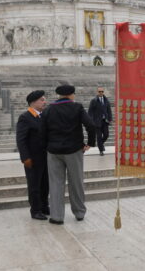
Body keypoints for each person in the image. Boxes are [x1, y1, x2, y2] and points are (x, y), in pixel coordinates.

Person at [40, 84, 95, 225]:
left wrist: (47, 145)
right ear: (71, 95)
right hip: (74, 150)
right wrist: (90, 143)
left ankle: (57, 216)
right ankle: (79, 212)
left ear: (59, 95)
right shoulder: (77, 108)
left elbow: (41, 130)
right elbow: (91, 125)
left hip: (53, 151)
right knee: (76, 182)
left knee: (55, 184)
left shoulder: (49, 109)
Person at [16, 90, 50, 220]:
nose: (44, 102)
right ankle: (35, 210)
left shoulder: (43, 116)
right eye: (42, 100)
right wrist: (25, 158)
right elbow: (21, 139)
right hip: (33, 158)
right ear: (33, 102)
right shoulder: (25, 117)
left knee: (45, 184)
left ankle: (44, 206)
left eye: (44, 99)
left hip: (46, 157)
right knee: (34, 185)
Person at [87, 87, 112, 155]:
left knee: (106, 135)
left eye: (102, 91)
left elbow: (109, 110)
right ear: (97, 92)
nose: (101, 93)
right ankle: (101, 150)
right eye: (99, 91)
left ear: (103, 92)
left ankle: (100, 144)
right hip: (97, 122)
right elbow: (90, 111)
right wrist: (91, 121)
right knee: (99, 136)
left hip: (105, 121)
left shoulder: (106, 100)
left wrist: (110, 119)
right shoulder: (94, 100)